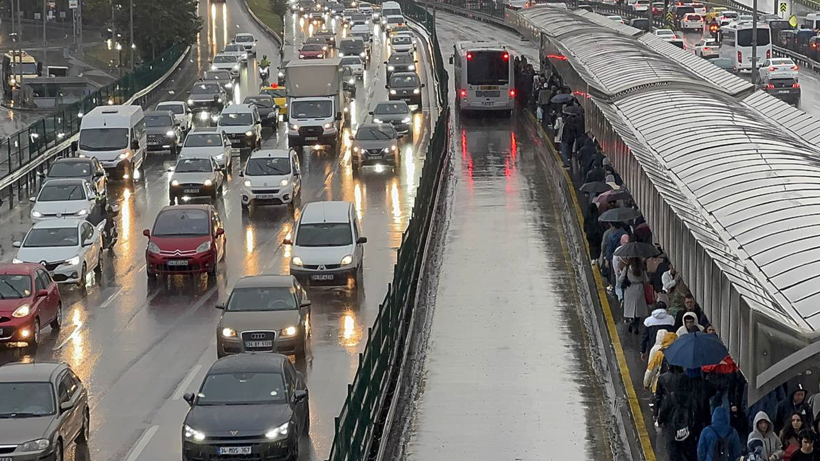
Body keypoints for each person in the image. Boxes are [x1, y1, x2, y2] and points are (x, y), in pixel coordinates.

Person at [620, 258, 650, 334]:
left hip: (630, 289)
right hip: (639, 288)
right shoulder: (642, 268)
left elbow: (620, 279)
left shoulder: (627, 268)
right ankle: (635, 326)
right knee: (638, 310)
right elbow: (646, 279)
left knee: (631, 309)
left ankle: (632, 323)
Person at [613, 234, 630, 304]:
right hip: (629, 273)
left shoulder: (618, 250)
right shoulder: (631, 250)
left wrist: (617, 272)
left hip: (620, 272)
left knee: (618, 286)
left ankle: (621, 298)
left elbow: (615, 263)